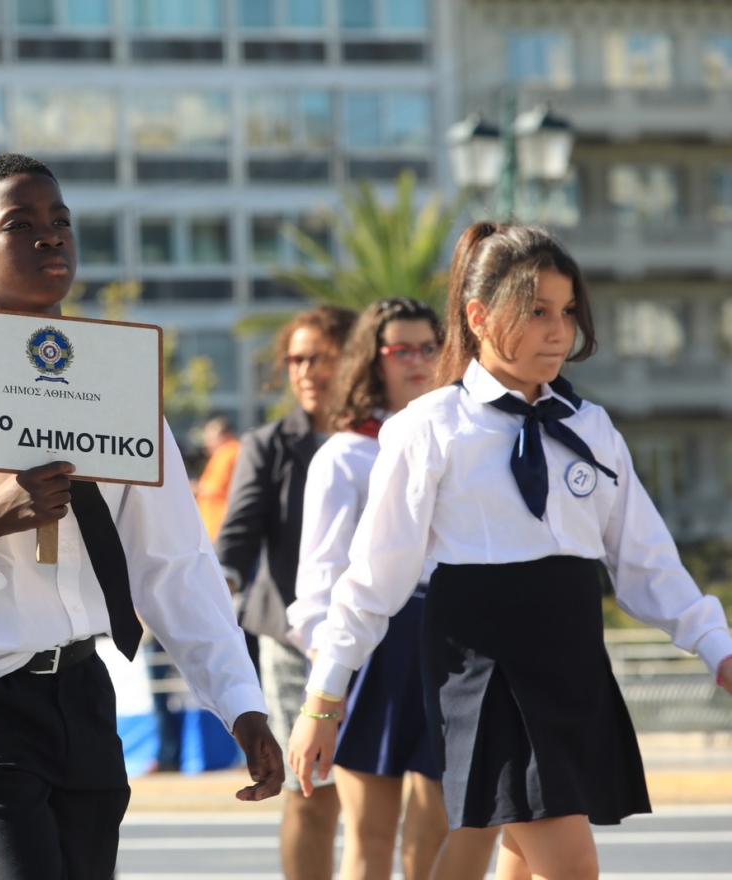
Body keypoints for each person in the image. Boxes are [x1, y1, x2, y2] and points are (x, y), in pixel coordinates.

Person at [0, 153, 283, 880]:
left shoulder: (120, 393)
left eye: (60, 221)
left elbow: (173, 565)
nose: (50, 237)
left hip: (85, 694)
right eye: (19, 224)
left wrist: (240, 703)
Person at [289, 222, 732, 880]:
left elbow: (645, 562)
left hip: (574, 663)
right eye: (536, 312)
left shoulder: (592, 426)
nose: (560, 332)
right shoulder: (428, 428)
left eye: (567, 312)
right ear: (478, 316)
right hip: (485, 671)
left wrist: (716, 646)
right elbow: (373, 580)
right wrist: (323, 701)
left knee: (519, 862)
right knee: (571, 866)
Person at [287, 297, 487, 880]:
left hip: (450, 645)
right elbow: (318, 591)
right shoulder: (345, 455)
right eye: (402, 350)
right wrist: (330, 681)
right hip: (373, 650)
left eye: (430, 348)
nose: (419, 362)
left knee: (436, 835)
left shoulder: (460, 437)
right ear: (372, 360)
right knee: (371, 843)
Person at [214, 305, 355, 880]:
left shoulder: (391, 433)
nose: (305, 370)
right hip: (295, 643)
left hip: (378, 636)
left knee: (387, 790)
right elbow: (236, 541)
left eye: (318, 356)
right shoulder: (268, 446)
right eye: (295, 358)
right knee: (312, 790)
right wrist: (209, 598)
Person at [194, 415, 241, 540]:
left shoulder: (227, 452)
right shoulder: (233, 451)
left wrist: (191, 487)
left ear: (225, 435)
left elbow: (213, 487)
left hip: (218, 524)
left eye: (210, 438)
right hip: (222, 525)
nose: (207, 444)